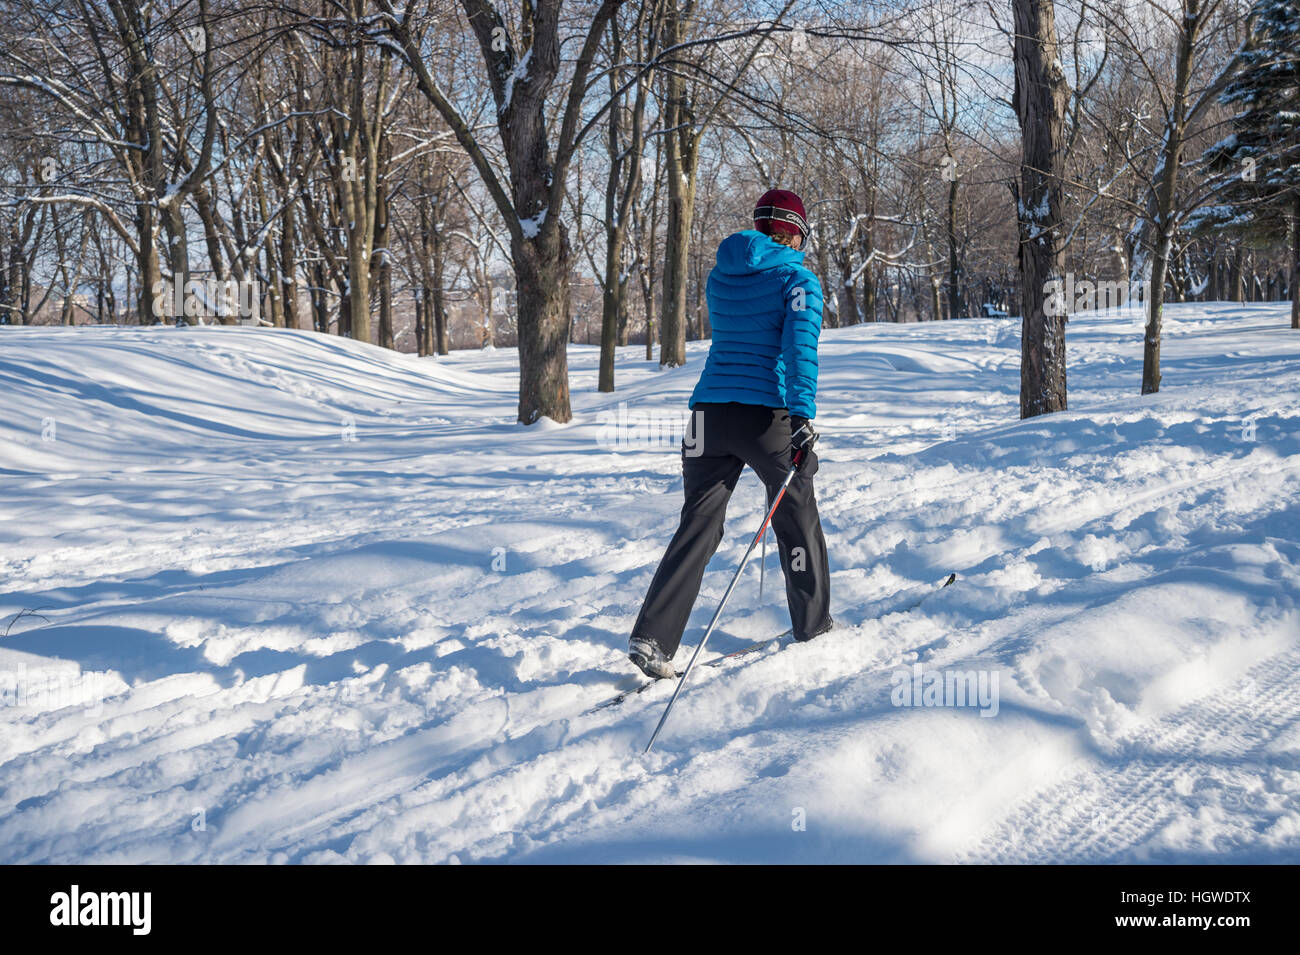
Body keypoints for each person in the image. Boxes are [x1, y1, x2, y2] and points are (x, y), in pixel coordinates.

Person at [628, 188, 833, 679]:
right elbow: (799, 349)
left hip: (706, 417)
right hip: (766, 418)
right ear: (796, 231)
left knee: (698, 524)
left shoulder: (721, 274)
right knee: (795, 515)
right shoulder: (797, 279)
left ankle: (653, 637)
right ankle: (813, 626)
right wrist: (802, 415)